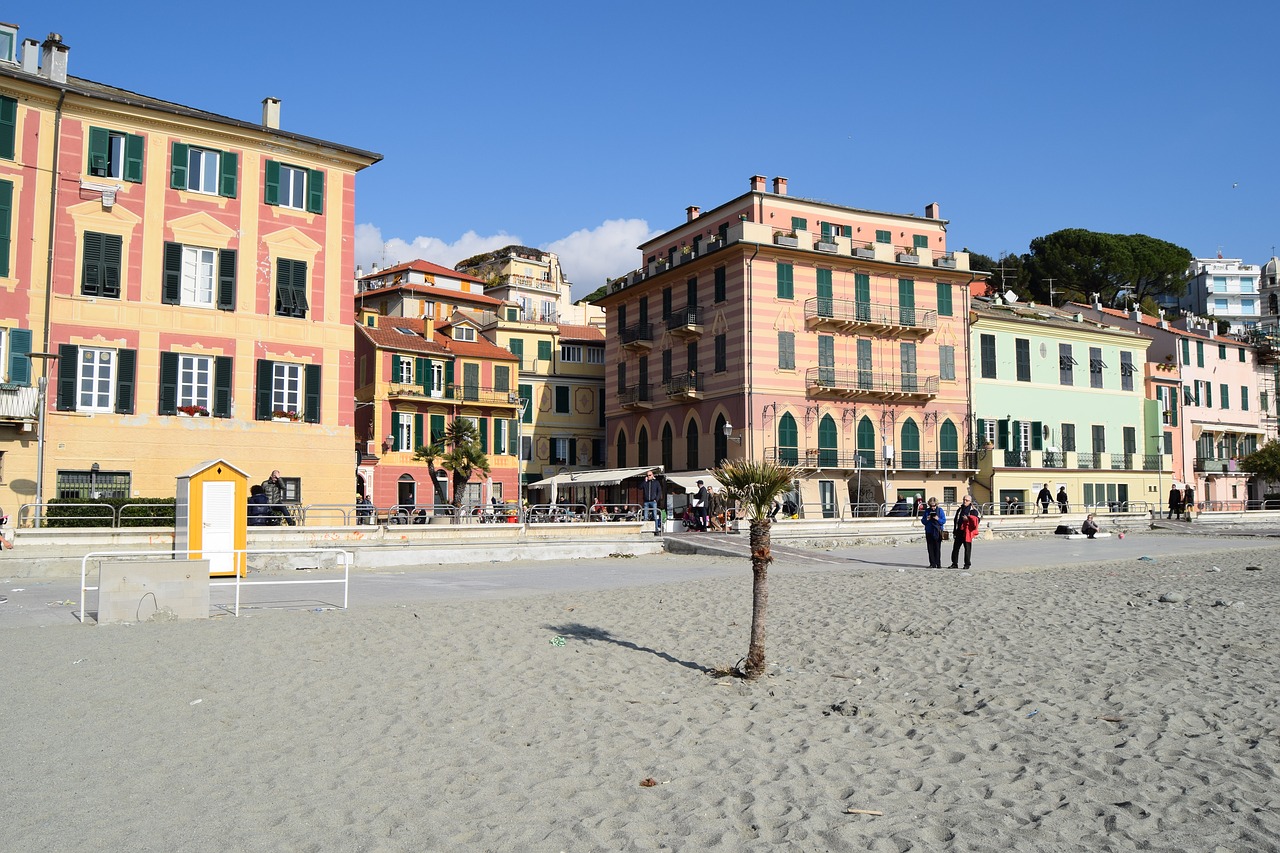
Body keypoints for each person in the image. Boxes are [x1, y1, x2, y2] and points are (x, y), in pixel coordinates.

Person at [948, 495, 981, 570]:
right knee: (955, 548)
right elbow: (956, 520)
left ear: (970, 501)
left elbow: (977, 520)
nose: (964, 501)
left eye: (967, 500)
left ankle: (967, 564)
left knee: (967, 548)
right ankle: (954, 563)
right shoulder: (960, 509)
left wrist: (968, 519)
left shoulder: (973, 510)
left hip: (967, 532)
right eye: (964, 500)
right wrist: (954, 530)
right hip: (959, 531)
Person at [921, 497, 947, 568]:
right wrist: (927, 519)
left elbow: (944, 521)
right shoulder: (927, 511)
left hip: (937, 531)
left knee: (937, 548)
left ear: (936, 504)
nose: (933, 507)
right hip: (929, 531)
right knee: (930, 548)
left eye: (934, 505)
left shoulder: (940, 510)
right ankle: (932, 563)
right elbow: (923, 521)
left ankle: (938, 564)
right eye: (931, 506)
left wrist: (938, 519)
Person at [642, 470, 663, 535]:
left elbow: (659, 491)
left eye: (650, 475)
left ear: (652, 475)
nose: (648, 477)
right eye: (647, 475)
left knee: (654, 516)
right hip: (646, 502)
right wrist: (644, 481)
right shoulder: (645, 483)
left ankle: (656, 529)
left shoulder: (656, 482)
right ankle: (645, 529)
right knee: (645, 517)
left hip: (653, 501)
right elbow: (639, 487)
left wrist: (656, 499)